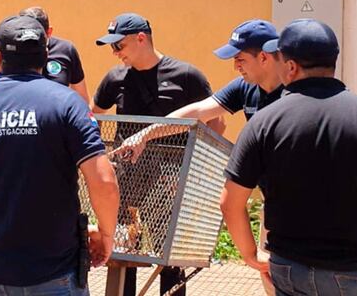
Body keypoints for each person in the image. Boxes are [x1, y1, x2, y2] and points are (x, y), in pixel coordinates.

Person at [0, 15, 119, 295]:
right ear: (45, 56)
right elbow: (104, 182)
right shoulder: (67, 104)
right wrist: (106, 235)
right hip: (53, 272)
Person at [111, 19, 281, 296]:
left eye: (240, 59)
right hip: (274, 207)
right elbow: (197, 112)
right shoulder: (244, 87)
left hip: (308, 204)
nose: (236, 67)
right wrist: (145, 135)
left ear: (264, 57)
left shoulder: (296, 92)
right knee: (274, 284)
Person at [222, 19, 357, 296]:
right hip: (356, 270)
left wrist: (251, 255)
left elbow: (230, 203)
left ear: (290, 67)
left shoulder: (264, 123)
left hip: (289, 268)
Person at [92, 13, 217, 296]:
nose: (115, 53)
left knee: (169, 255)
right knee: (123, 253)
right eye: (112, 48)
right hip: (126, 180)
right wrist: (102, 160)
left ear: (141, 38)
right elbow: (93, 118)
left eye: (119, 46)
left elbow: (214, 124)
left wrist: (197, 170)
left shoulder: (186, 76)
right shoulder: (115, 78)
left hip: (170, 180)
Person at [0, 6, 90, 102]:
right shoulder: (5, 49)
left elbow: (82, 98)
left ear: (49, 32)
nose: (30, 40)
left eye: (37, 34)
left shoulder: (66, 50)